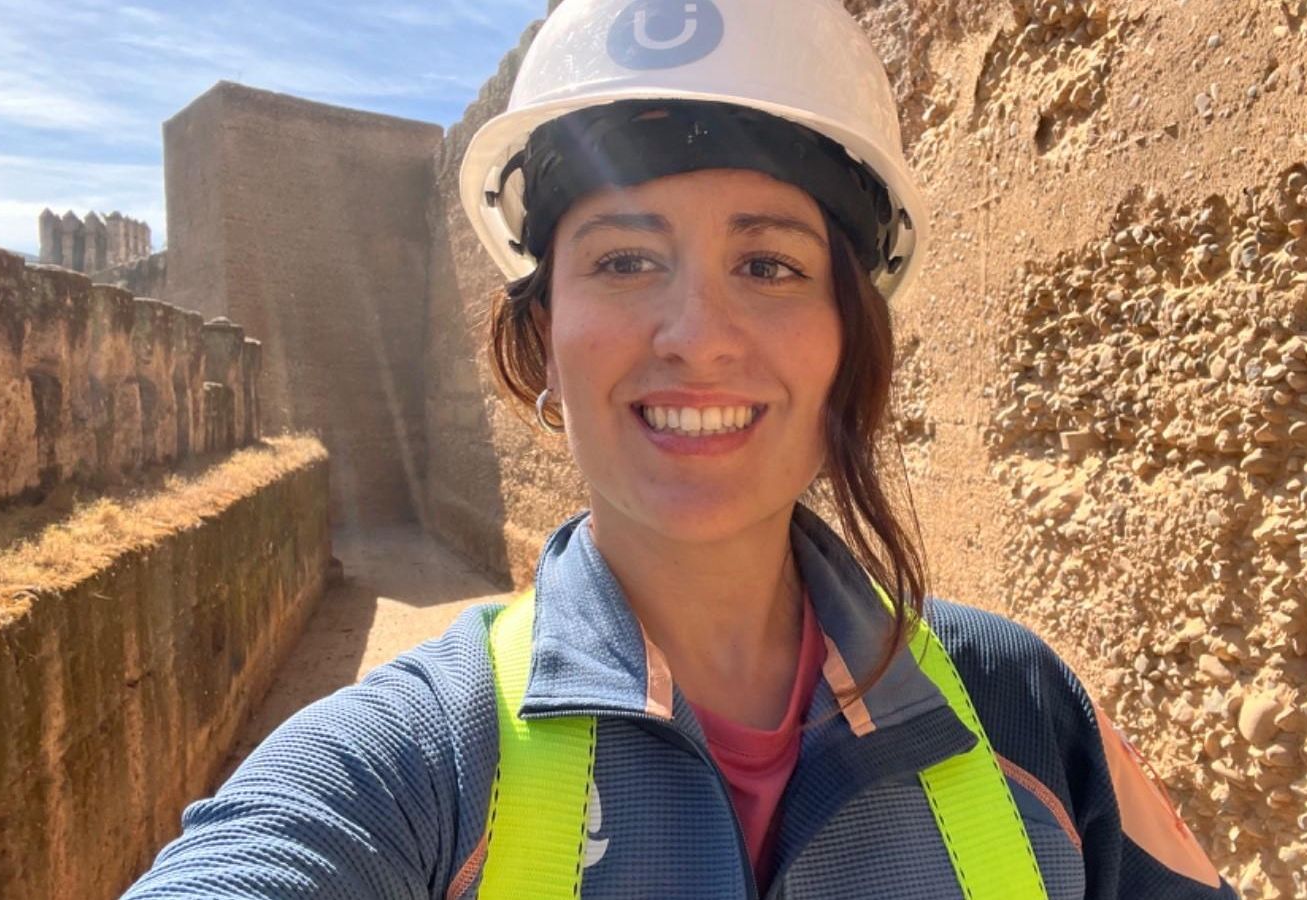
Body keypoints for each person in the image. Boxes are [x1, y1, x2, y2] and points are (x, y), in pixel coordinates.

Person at [124, 0, 1237, 897]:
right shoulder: (413, 768)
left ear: (851, 341)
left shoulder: (1029, 714)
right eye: (619, 261)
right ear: (540, 343)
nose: (696, 336)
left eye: (769, 265)